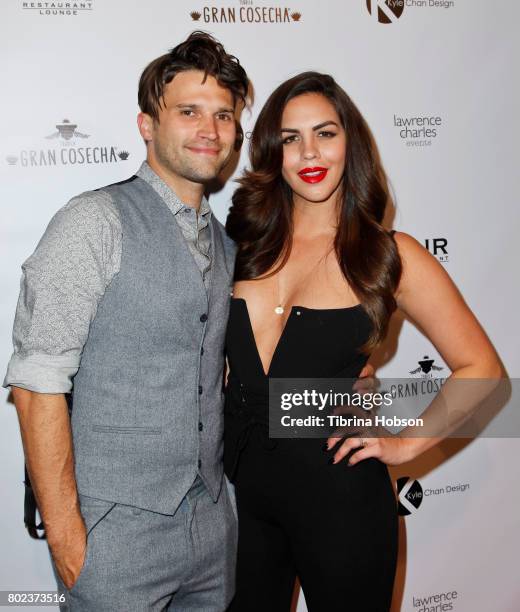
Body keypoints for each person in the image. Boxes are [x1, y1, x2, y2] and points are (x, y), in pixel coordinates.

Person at [223, 72, 502, 611]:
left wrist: (404, 444)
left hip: (341, 503)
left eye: (325, 133)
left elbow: (482, 370)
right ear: (271, 151)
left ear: (350, 141)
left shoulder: (388, 255)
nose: (309, 151)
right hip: (242, 500)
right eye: (290, 137)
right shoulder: (243, 244)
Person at [4, 32, 249, 611]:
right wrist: (68, 537)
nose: (209, 130)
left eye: (223, 115)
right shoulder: (94, 222)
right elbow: (37, 385)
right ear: (147, 124)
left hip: (213, 529)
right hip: (113, 534)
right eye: (189, 111)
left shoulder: (230, 246)